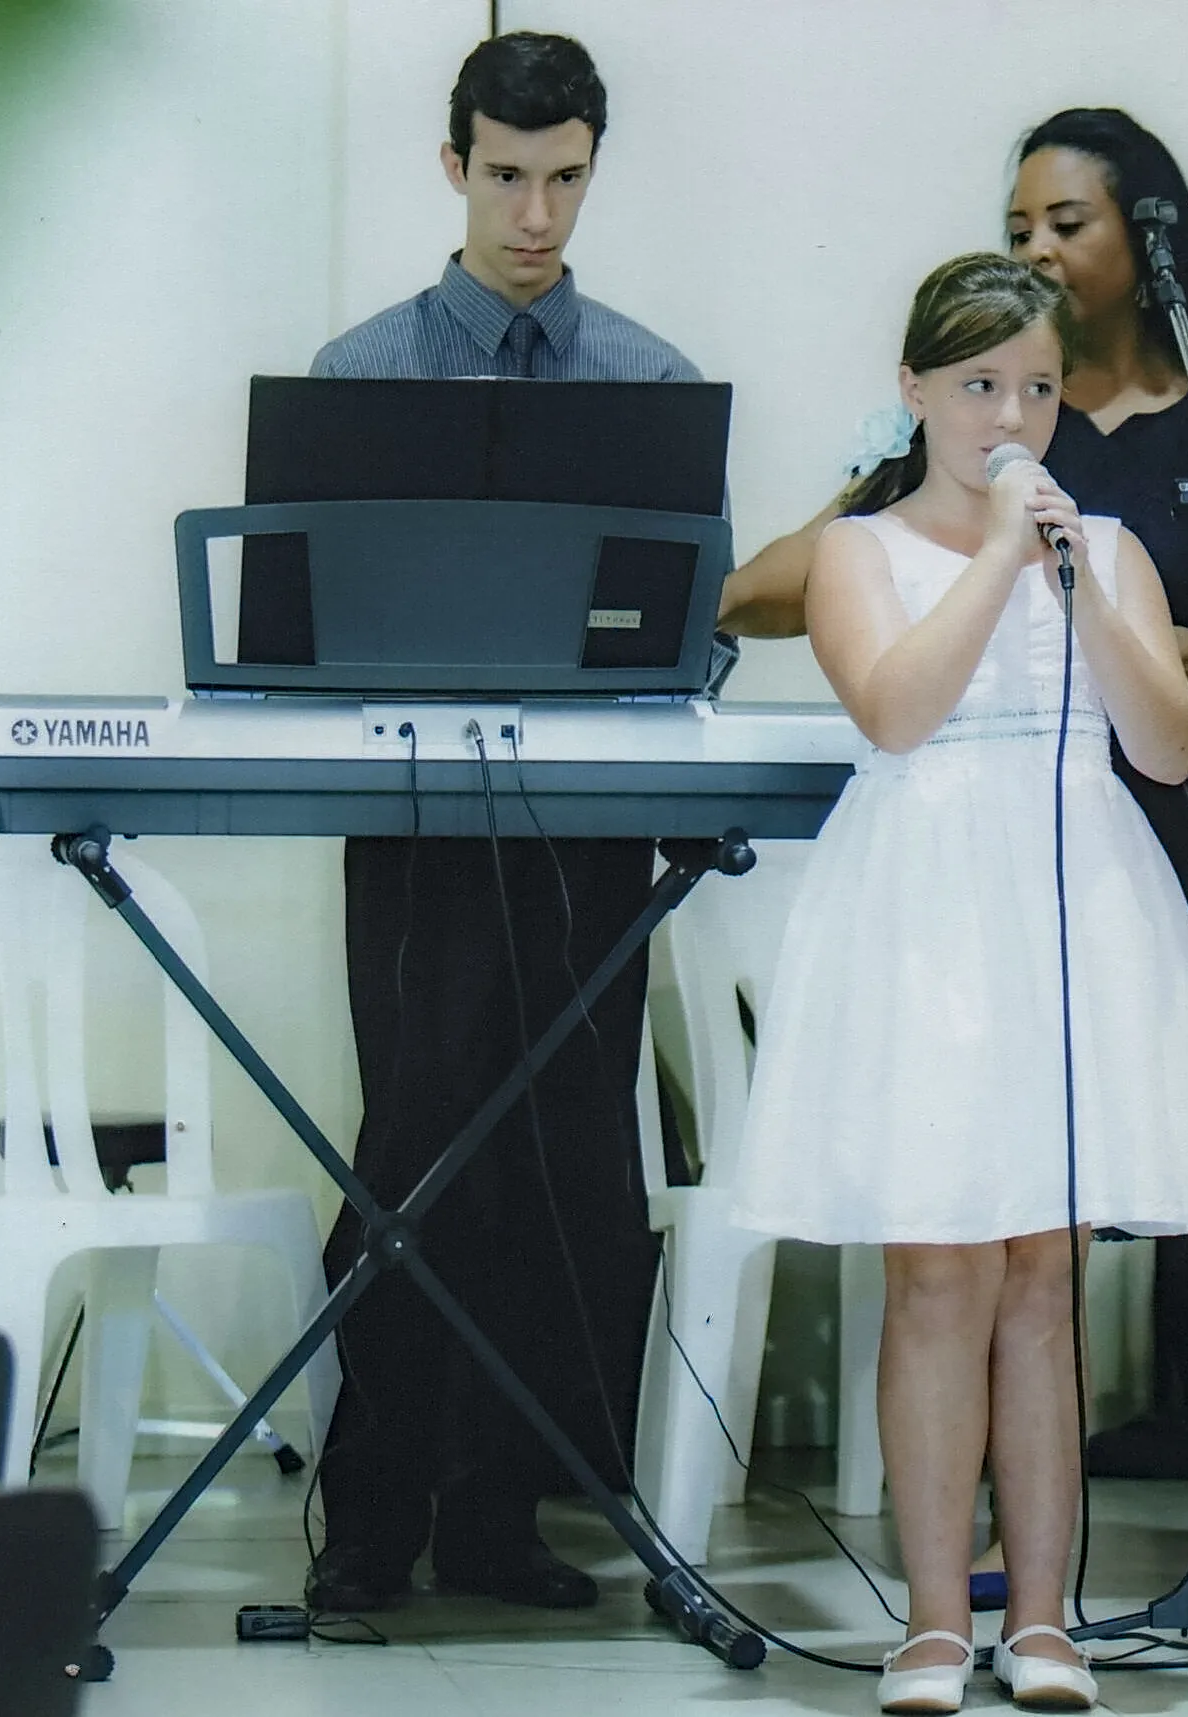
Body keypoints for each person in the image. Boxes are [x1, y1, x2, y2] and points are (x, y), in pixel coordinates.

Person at [721, 109, 1188, 1615]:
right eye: (1022, 223)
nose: (1040, 245)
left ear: (1147, 241)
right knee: (986, 1216)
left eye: (1069, 223)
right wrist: (935, 520)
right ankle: (977, 1547)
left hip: (1174, 828)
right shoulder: (939, 458)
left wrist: (1161, 638)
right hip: (972, 846)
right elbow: (785, 592)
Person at [729, 252, 1188, 1714]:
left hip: (1073, 906)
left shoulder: (1112, 552)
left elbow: (1167, 749)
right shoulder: (857, 549)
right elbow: (896, 712)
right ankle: (930, 1618)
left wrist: (1080, 579)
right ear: (915, 392)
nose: (1009, 415)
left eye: (1036, 388)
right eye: (978, 388)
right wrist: (997, 564)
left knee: (1044, 1270)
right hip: (925, 909)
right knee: (938, 1266)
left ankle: (1044, 1621)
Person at [302, 31, 700, 1616]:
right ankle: (375, 1518)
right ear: (454, 164)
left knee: (562, 1166)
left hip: (583, 827)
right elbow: (308, 621)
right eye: (510, 175)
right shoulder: (358, 374)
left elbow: (687, 630)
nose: (538, 214)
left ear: (594, 167)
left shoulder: (653, 385)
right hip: (409, 830)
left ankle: (499, 1518)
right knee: (412, 1154)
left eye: (567, 178)